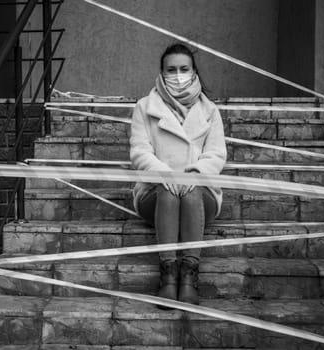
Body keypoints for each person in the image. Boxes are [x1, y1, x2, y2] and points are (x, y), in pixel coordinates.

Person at [130, 43, 227, 306]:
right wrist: (165, 175)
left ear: (194, 71)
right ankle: (168, 276)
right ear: (161, 73)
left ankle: (189, 278)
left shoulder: (210, 111)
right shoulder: (144, 107)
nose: (178, 74)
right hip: (156, 195)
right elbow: (140, 152)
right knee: (168, 192)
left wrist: (193, 174)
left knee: (192, 190)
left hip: (200, 193)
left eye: (184, 69)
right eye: (171, 69)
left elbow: (217, 154)